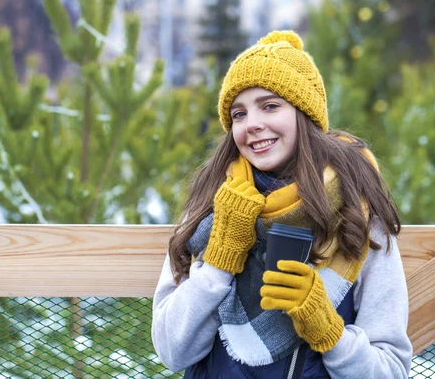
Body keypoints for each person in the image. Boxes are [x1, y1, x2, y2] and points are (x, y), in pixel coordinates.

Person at [151, 30, 413, 378]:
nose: (253, 125)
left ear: (304, 114)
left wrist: (329, 333)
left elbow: (391, 371)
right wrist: (220, 258)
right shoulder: (210, 206)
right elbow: (172, 351)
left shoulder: (357, 212)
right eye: (239, 114)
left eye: (270, 106)